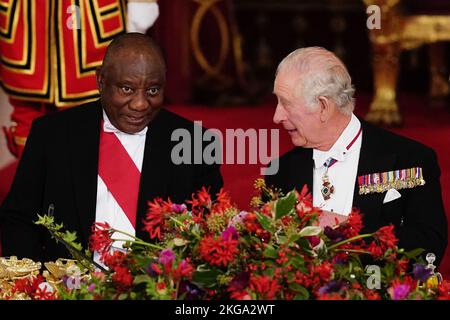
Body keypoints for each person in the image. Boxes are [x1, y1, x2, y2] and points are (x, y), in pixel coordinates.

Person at [0, 33, 223, 262]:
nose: (140, 104)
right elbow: (19, 219)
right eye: (127, 89)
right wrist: (35, 284)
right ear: (101, 81)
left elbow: (210, 231)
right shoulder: (51, 134)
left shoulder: (195, 143)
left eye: (153, 90)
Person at [266, 47, 448, 265]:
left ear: (323, 106)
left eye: (285, 103)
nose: (277, 116)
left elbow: (429, 248)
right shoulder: (280, 171)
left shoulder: (409, 160)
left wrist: (346, 229)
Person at [0, 0, 159, 158]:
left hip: (89, 18)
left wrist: (141, 6)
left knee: (93, 114)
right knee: (27, 114)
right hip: (27, 15)